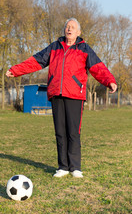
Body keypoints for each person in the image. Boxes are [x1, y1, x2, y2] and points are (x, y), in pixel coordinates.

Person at [6, 17, 117, 178]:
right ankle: (63, 167)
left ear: (78, 32)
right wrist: (15, 70)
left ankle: (75, 167)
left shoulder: (84, 49)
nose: (69, 29)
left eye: (72, 27)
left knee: (73, 132)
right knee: (60, 131)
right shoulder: (54, 47)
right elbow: (35, 62)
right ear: (64, 30)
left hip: (75, 95)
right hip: (56, 93)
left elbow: (98, 68)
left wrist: (110, 81)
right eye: (67, 27)